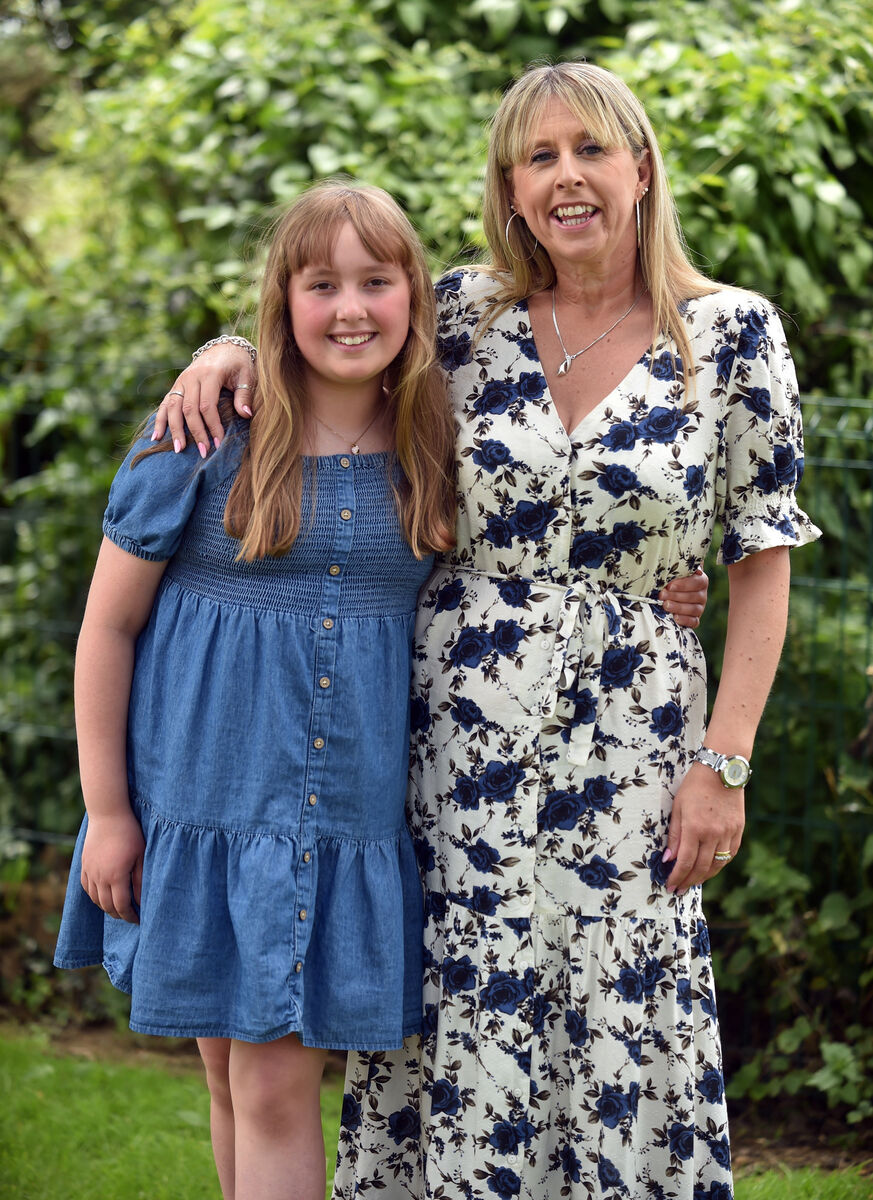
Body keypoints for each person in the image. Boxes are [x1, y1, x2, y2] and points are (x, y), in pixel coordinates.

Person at [152, 61, 801, 1200]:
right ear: (508, 186)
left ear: (640, 169)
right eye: (537, 157)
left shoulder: (733, 336)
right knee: (461, 1006)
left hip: (636, 748)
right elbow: (335, 350)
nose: (567, 178)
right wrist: (233, 356)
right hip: (452, 745)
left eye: (591, 150)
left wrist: (724, 764)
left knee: (614, 1014)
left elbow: (761, 567)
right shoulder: (462, 315)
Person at [53, 180, 458, 1200]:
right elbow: (108, 626)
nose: (352, 309)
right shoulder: (204, 438)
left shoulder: (435, 446)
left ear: (415, 296)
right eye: (322, 284)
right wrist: (107, 810)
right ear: (282, 300)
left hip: (335, 825)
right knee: (239, 1083)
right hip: (200, 806)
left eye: (378, 280)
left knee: (269, 1087)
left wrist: (667, 591)